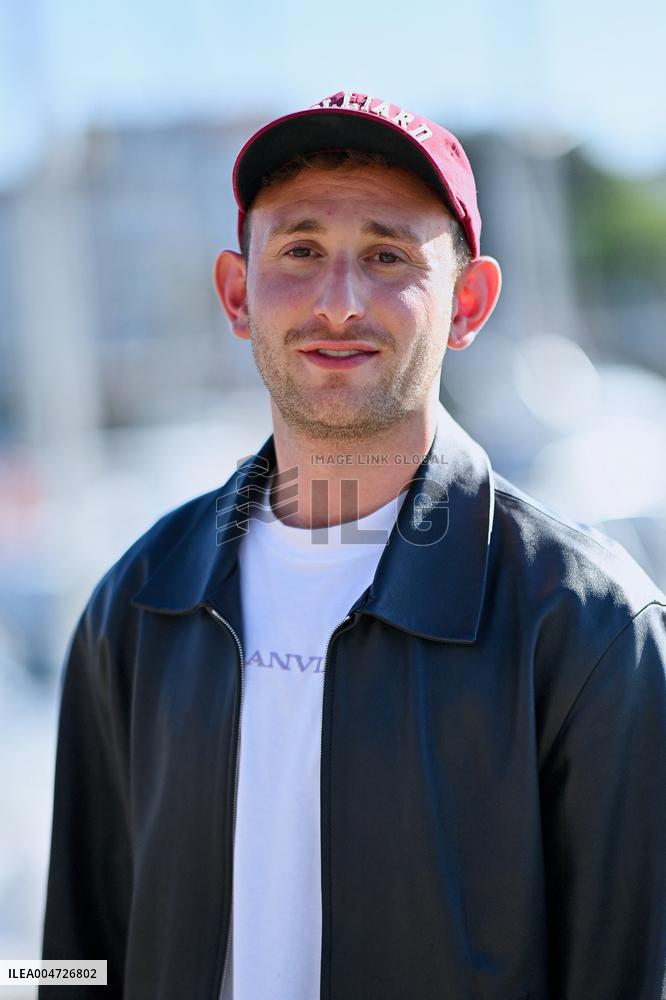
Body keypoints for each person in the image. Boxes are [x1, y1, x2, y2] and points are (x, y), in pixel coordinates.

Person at [41, 91, 666, 1000]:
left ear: (468, 302)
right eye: (299, 250)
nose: (339, 301)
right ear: (237, 294)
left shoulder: (591, 627)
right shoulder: (135, 600)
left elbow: (634, 973)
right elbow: (68, 951)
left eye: (387, 255)